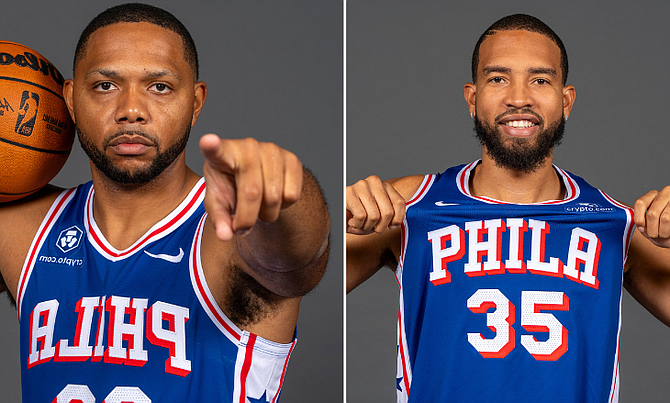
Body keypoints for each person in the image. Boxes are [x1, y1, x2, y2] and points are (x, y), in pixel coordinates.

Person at [0, 3, 330, 402]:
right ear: (70, 99)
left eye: (159, 87)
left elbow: (300, 257)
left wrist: (284, 192)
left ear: (194, 101)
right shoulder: (23, 229)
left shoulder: (227, 238)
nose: (131, 111)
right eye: (106, 85)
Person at [347, 13, 670, 403]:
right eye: (498, 78)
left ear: (565, 101)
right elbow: (291, 273)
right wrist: (341, 221)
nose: (519, 98)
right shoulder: (409, 206)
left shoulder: (615, 224)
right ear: (472, 97)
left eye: (540, 80)